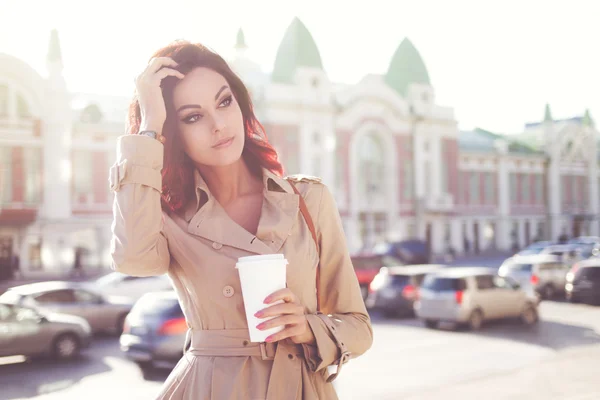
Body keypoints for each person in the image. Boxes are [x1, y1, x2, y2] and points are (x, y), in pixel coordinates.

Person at [109, 41, 373, 399]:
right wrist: (149, 125)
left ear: (241, 103)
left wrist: (308, 328)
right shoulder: (170, 218)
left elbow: (358, 327)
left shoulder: (308, 200)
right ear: (174, 134)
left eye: (224, 101)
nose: (219, 125)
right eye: (193, 116)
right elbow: (132, 259)